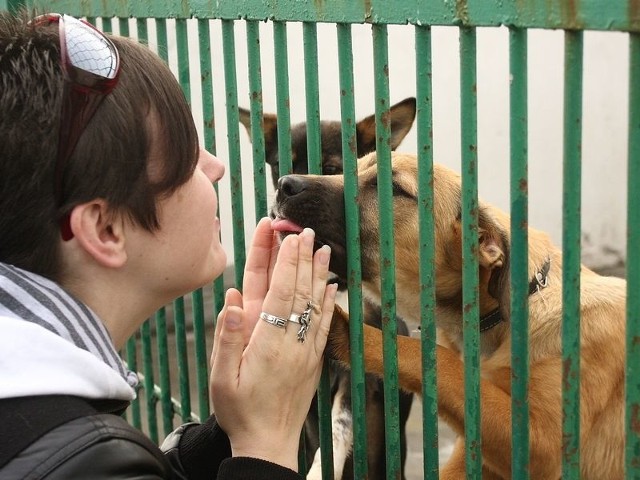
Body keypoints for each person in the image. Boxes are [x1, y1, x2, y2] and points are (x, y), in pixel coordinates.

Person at [0, 9, 338, 479]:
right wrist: (267, 440)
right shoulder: (82, 462)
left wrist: (227, 432)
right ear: (106, 231)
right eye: (187, 156)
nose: (216, 166)